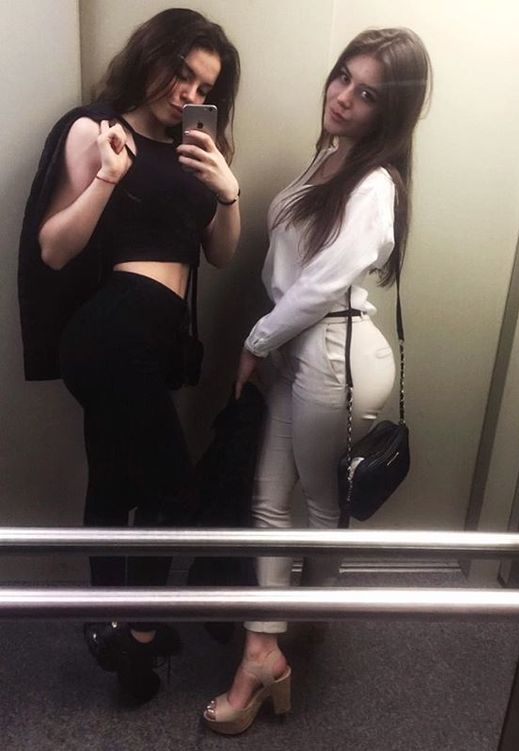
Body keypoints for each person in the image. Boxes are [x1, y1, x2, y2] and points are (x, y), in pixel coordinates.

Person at [202, 27, 431, 734]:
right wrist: (270, 340)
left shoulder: (375, 184)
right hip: (300, 346)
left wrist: (255, 341)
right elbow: (293, 273)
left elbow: (324, 282)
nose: (345, 97)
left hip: (331, 353)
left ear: (391, 112)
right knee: (269, 499)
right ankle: (283, 634)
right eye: (343, 77)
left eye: (368, 94)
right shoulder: (331, 155)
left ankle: (272, 648)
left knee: (320, 505)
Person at [19, 8, 241, 702]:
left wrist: (228, 191)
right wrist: (107, 178)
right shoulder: (96, 129)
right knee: (176, 493)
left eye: (203, 86)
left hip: (154, 338)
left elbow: (220, 253)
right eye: (181, 72)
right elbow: (53, 249)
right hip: (111, 331)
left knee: (114, 484)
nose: (187, 93)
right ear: (152, 54)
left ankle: (114, 630)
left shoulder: (196, 151)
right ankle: (137, 631)